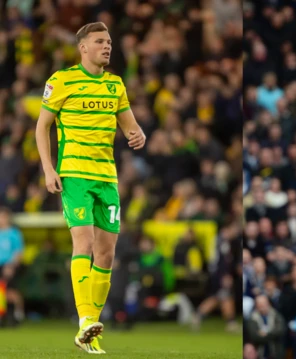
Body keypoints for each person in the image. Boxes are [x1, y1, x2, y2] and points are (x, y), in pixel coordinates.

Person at [35, 22, 146, 354]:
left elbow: (130, 126)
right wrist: (48, 168)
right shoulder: (62, 80)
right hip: (74, 175)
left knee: (107, 254)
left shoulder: (115, 85)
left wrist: (137, 134)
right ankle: (85, 320)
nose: (107, 46)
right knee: (82, 241)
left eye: (109, 42)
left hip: (107, 178)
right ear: (83, 47)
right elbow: (42, 128)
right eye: (100, 41)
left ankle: (89, 330)